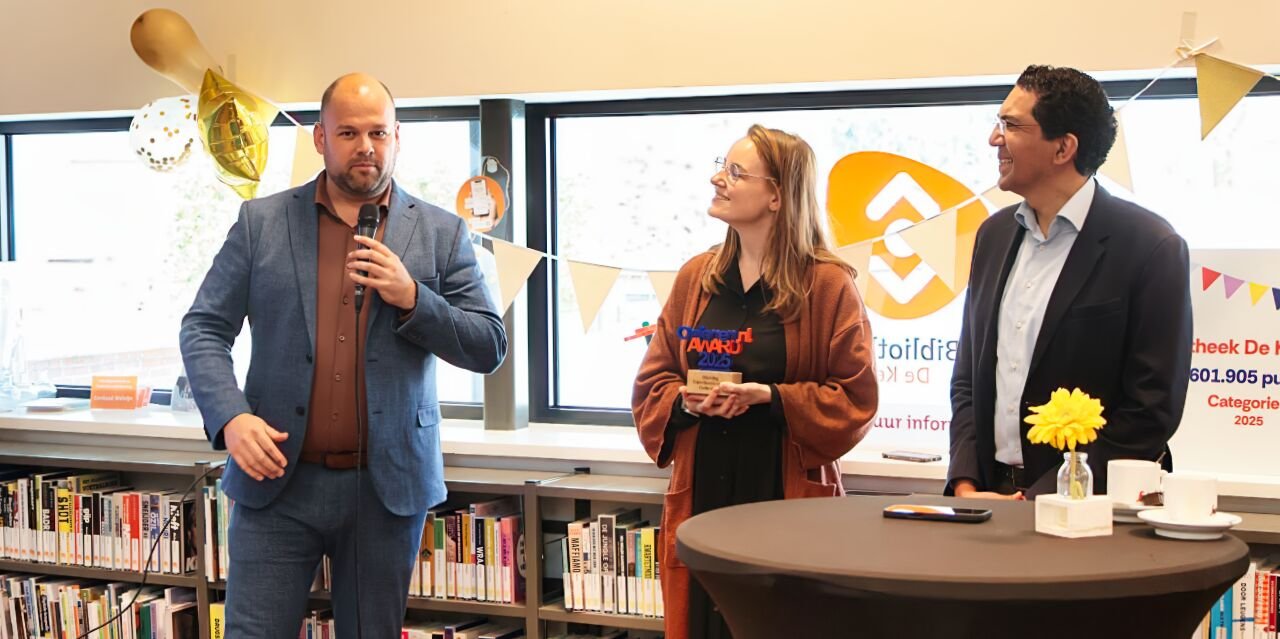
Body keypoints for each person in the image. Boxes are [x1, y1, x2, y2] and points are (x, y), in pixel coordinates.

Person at [179, 73, 506, 638]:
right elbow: (203, 328)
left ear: (397, 137)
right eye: (348, 131)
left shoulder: (441, 232)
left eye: (378, 132)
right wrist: (230, 418)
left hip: (386, 488)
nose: (365, 146)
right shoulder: (262, 224)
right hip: (277, 482)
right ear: (319, 138)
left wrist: (413, 298)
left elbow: (488, 347)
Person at [633, 124, 879, 639]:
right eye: (722, 166)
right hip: (703, 489)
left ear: (776, 195)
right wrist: (688, 401)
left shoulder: (829, 284)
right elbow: (653, 382)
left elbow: (856, 396)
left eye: (736, 172)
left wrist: (769, 398)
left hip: (780, 492)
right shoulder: (695, 278)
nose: (718, 179)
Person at [948, 65, 1192, 499]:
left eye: (1011, 125)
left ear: (1063, 148)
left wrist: (1050, 495)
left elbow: (1151, 410)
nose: (994, 139)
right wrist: (964, 481)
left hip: (1089, 512)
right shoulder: (993, 234)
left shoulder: (1150, 246)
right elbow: (968, 377)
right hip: (986, 503)